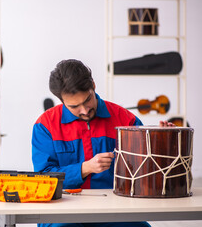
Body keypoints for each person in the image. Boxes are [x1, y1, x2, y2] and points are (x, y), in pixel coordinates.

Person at [32, 59, 173, 227]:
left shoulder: (126, 120)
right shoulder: (45, 125)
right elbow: (44, 179)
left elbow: (148, 171)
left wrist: (166, 141)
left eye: (87, 100)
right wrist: (85, 168)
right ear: (61, 101)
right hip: (62, 211)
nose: (84, 110)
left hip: (114, 210)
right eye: (74, 106)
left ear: (93, 85)